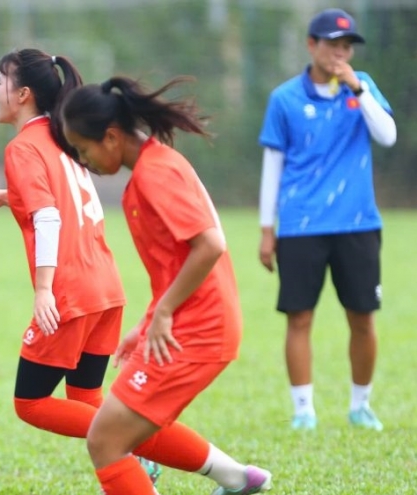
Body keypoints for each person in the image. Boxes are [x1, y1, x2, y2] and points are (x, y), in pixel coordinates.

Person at [60, 76, 273, 495]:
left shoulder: (155, 174)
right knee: (116, 429)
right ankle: (238, 479)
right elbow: (173, 264)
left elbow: (210, 244)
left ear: (111, 136)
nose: (84, 161)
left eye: (83, 150)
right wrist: (147, 322)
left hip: (199, 328)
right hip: (186, 323)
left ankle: (236, 478)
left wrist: (163, 312)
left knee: (105, 440)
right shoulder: (152, 167)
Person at [0, 48, 160, 485]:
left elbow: (48, 216)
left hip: (70, 293)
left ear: (23, 94)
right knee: (85, 397)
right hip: (105, 287)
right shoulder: (63, 137)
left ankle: (141, 445)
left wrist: (44, 289)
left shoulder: (24, 146)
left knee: (31, 403)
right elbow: (62, 199)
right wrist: (9, 197)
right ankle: (153, 462)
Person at [257, 8, 396, 431]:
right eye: (333, 44)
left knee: (362, 317)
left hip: (358, 223)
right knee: (299, 318)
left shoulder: (362, 87)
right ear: (311, 45)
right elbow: (272, 165)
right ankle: (304, 411)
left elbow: (387, 135)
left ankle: (361, 405)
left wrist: (358, 88)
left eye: (347, 46)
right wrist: (267, 229)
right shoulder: (284, 98)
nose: (341, 53)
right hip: (301, 226)